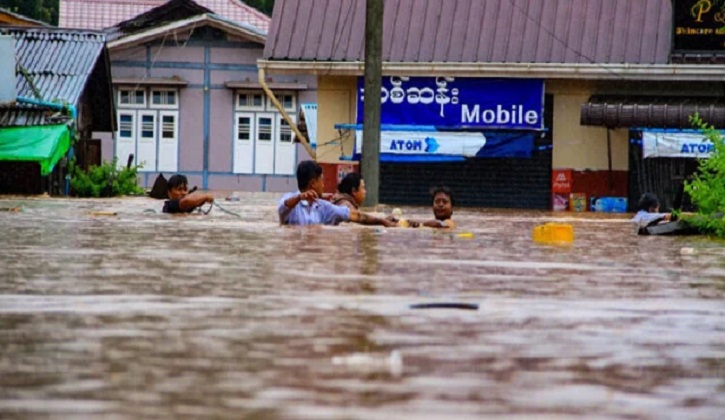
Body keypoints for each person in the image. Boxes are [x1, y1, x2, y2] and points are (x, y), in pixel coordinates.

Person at [278, 160, 396, 227]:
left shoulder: (323, 207)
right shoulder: (290, 203)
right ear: (313, 183)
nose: (323, 185)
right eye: (321, 181)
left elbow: (355, 216)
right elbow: (285, 205)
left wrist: (382, 221)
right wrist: (300, 197)